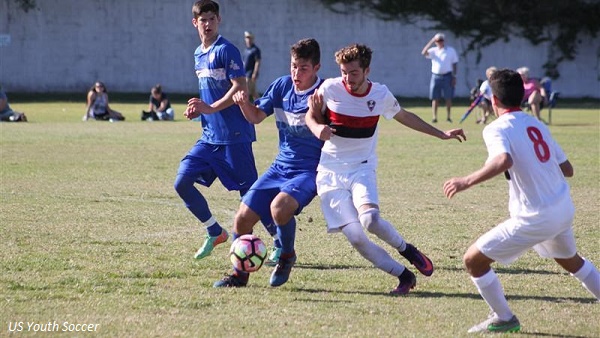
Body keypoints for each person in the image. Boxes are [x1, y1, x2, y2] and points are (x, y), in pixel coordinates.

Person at [443, 69, 600, 334]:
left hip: (536, 216)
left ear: (493, 100)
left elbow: (503, 160)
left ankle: (504, 318)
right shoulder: (536, 124)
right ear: (523, 95)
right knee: (571, 261)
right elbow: (568, 169)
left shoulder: (495, 128)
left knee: (473, 261)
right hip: (562, 208)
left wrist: (465, 181)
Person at [306, 44, 466, 295]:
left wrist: (441, 134)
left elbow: (405, 116)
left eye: (354, 73)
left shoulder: (380, 94)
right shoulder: (329, 89)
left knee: (370, 220)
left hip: (362, 168)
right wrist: (318, 128)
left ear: (367, 70)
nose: (348, 78)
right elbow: (310, 116)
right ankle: (404, 276)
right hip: (329, 172)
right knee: (357, 238)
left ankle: (407, 249)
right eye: (344, 72)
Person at [214, 38, 324, 288]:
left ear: (317, 67)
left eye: (304, 68)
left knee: (279, 208)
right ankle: (239, 275)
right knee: (242, 219)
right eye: (294, 66)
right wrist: (243, 104)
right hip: (279, 168)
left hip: (309, 171)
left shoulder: (326, 93)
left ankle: (286, 256)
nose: (296, 73)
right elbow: (255, 117)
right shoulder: (282, 86)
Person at [174, 0, 278, 261]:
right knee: (182, 182)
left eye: (211, 18)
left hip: (234, 136)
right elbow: (209, 94)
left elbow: (240, 87)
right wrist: (198, 110)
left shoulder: (227, 49)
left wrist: (209, 108)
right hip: (209, 137)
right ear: (194, 22)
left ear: (218, 20)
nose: (207, 24)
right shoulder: (198, 53)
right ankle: (214, 231)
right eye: (202, 19)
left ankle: (280, 243)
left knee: (251, 193)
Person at [421, 33, 459, 123]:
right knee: (435, 98)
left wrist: (454, 76)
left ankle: (448, 117)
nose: (439, 42)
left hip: (447, 75)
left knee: (448, 97)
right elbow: (423, 52)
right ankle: (434, 117)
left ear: (444, 41)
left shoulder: (450, 50)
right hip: (436, 76)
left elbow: (455, 64)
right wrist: (431, 41)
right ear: (435, 42)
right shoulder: (433, 51)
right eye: (437, 41)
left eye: (441, 40)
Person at [243, 31, 261, 101]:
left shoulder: (255, 50)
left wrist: (255, 73)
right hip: (245, 73)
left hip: (250, 74)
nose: (248, 40)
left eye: (250, 38)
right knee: (253, 92)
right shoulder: (246, 50)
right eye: (247, 38)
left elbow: (258, 61)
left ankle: (246, 107)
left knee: (247, 91)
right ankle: (261, 105)